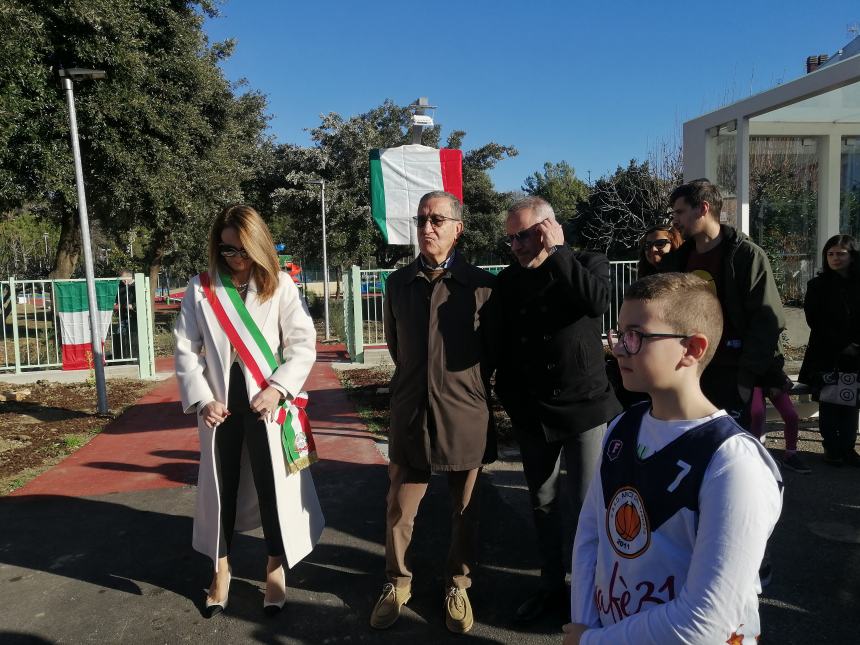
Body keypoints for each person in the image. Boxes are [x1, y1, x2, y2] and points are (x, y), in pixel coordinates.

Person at [565, 272, 783, 644]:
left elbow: (706, 623)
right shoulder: (622, 427)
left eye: (636, 336)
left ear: (692, 349)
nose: (618, 348)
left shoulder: (733, 463)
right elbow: (591, 538)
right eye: (618, 333)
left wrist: (592, 642)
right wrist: (586, 625)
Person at [174, 204, 323, 618]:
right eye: (225, 250)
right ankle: (220, 568)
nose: (234, 258)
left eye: (241, 250)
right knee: (222, 489)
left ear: (257, 245)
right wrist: (202, 398)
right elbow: (186, 350)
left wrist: (277, 388)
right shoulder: (201, 288)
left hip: (267, 408)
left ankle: (275, 566)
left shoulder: (280, 285)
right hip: (219, 408)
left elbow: (302, 345)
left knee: (272, 486)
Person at [370, 190, 496, 634]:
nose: (427, 227)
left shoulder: (481, 287)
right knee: (399, 509)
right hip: (410, 412)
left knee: (464, 509)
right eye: (422, 219)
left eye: (437, 219)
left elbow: (491, 353)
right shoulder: (397, 284)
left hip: (464, 413)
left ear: (457, 228)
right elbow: (396, 347)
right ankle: (397, 582)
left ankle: (458, 584)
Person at [493, 196, 621, 624]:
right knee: (543, 503)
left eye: (525, 234)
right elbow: (502, 344)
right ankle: (552, 586)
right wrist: (510, 397)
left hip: (584, 407)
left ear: (548, 228)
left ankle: (594, 593)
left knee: (588, 504)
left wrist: (561, 252)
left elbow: (597, 302)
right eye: (511, 237)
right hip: (534, 413)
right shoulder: (509, 281)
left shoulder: (586, 261)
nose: (517, 245)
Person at [662, 178, 785, 429]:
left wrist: (746, 379)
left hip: (732, 375)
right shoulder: (678, 260)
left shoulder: (746, 256)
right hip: (689, 371)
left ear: (703, 208)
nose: (674, 220)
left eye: (680, 212)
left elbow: (767, 321)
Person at [799, 234, 860, 467]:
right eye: (831, 253)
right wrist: (843, 345)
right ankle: (832, 447)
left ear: (852, 256)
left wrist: (856, 345)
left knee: (850, 402)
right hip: (827, 353)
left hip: (856, 355)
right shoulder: (818, 285)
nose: (835, 258)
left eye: (841, 253)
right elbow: (816, 320)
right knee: (829, 402)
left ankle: (847, 447)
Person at [749, 366, 809, 473]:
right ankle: (755, 454)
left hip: (773, 379)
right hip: (750, 380)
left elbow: (776, 360)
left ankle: (790, 454)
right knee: (757, 413)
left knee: (791, 416)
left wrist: (777, 382)